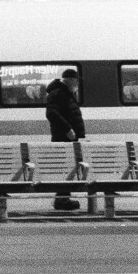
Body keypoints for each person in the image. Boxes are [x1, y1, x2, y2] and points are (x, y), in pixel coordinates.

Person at [44, 68, 85, 212]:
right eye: (76, 80)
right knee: (66, 168)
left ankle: (63, 198)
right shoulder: (58, 93)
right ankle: (62, 200)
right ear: (69, 80)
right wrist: (68, 129)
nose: (77, 83)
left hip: (67, 137)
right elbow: (51, 113)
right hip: (63, 137)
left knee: (68, 168)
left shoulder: (65, 93)